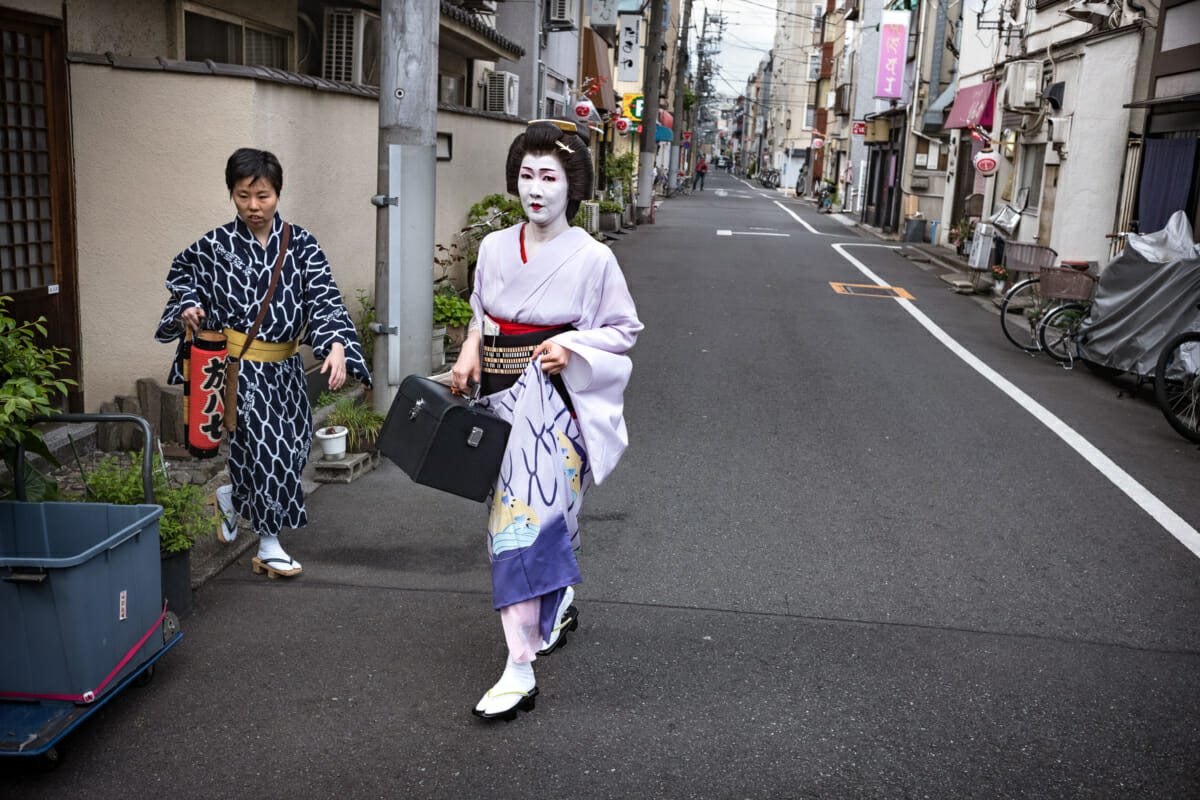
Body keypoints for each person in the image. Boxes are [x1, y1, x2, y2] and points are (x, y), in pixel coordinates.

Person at [450, 120, 643, 721]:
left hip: (558, 404)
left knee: (525, 523)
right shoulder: (493, 248)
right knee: (522, 521)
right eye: (528, 176)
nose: (536, 189)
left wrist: (574, 348)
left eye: (549, 177)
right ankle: (545, 619)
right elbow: (481, 309)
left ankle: (518, 668)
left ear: (572, 187)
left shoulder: (594, 257)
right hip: (501, 399)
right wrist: (467, 347)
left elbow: (623, 330)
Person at [155, 148, 371, 579]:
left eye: (263, 196)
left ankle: (234, 497)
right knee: (262, 450)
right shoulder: (216, 246)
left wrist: (335, 346)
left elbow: (325, 299)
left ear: (278, 193)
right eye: (243, 196)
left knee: (291, 450)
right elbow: (183, 275)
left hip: (287, 369)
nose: (253, 207)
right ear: (232, 195)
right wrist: (191, 306)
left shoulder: (303, 244)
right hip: (238, 370)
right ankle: (268, 543)